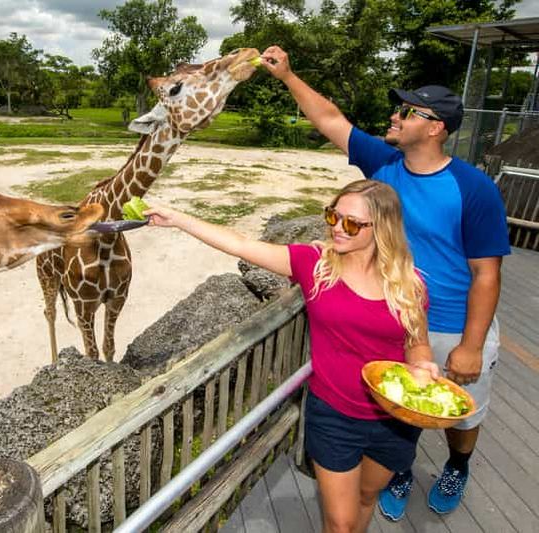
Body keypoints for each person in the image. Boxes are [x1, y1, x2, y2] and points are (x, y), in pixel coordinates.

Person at [258, 46, 511, 520]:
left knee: (461, 413)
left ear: (435, 128)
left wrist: (471, 344)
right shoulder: (383, 166)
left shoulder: (473, 188)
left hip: (450, 323)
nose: (394, 115)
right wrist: (288, 75)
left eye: (408, 111)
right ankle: (397, 468)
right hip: (386, 309)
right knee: (396, 406)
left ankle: (458, 464)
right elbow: (330, 119)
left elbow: (487, 273)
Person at [145, 179, 441, 533]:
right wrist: (178, 218)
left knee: (366, 498)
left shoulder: (410, 283)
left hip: (395, 417)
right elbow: (241, 244)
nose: (336, 228)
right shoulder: (314, 264)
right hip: (335, 414)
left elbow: (416, 341)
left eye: (351, 223)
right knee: (341, 523)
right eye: (334, 216)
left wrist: (422, 362)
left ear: (382, 229)